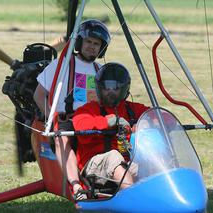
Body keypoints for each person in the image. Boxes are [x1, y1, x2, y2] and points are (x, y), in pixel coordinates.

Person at [33, 19, 111, 199]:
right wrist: (50, 118)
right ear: (79, 42)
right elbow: (38, 95)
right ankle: (76, 186)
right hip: (66, 120)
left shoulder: (100, 70)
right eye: (89, 42)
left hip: (92, 121)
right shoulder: (62, 65)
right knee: (63, 138)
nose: (92, 47)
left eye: (96, 44)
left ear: (102, 48)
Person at [72, 62, 150, 191]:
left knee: (151, 164)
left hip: (125, 163)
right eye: (106, 88)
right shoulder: (89, 109)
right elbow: (79, 124)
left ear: (125, 88)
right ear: (99, 88)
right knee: (113, 156)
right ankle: (131, 199)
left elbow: (160, 116)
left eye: (116, 87)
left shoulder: (133, 109)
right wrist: (108, 122)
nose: (111, 92)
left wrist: (146, 122)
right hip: (94, 166)